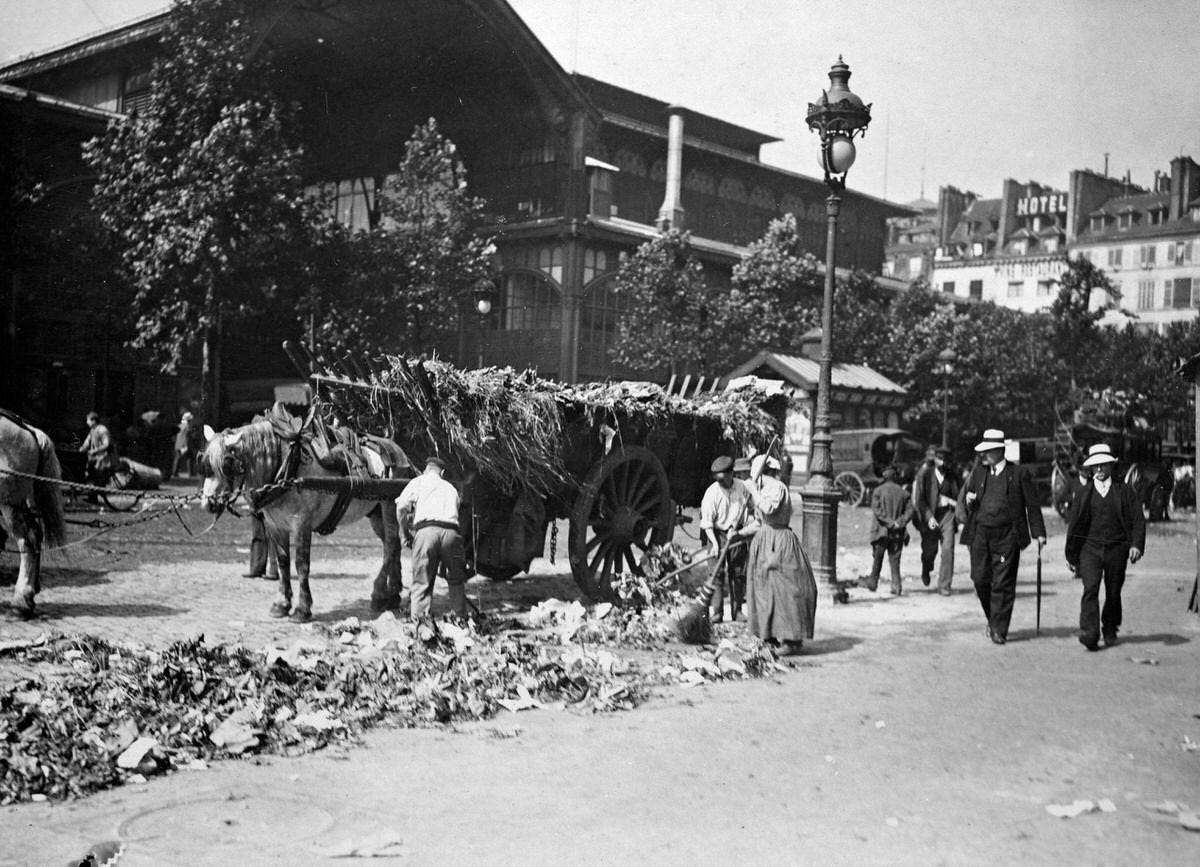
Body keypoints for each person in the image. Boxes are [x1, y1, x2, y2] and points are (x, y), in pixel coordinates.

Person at [957, 428, 1047, 645]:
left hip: (1007, 536)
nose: (983, 455)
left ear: (999, 451)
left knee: (1003, 584)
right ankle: (992, 618)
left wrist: (1039, 533)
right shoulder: (978, 473)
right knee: (979, 579)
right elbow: (969, 500)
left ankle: (999, 629)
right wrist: (970, 502)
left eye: (988, 451)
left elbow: (1032, 506)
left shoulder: (1018, 474)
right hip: (980, 534)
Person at [1065, 443, 1145, 651]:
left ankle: (1110, 628)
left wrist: (1136, 545)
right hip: (1090, 550)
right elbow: (1074, 526)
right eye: (1095, 466)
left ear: (1110, 466)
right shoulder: (1083, 493)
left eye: (1103, 465)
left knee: (1113, 591)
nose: (1099, 470)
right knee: (1090, 588)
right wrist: (1071, 556)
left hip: (1117, 549)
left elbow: (1137, 520)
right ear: (1090, 469)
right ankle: (1089, 633)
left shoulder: (1125, 491)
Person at [744, 454, 817, 656]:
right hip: (765, 540)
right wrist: (739, 534)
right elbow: (761, 522)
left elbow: (769, 507)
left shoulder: (777, 487)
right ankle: (768, 636)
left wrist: (752, 492)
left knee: (786, 590)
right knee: (764, 591)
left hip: (780, 543)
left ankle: (792, 639)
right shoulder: (762, 489)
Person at [395, 455, 468, 623]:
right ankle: (461, 620)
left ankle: (421, 624)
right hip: (452, 534)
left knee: (422, 582)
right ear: (442, 472)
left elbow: (401, 508)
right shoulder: (450, 488)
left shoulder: (419, 481)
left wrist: (403, 532)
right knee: (456, 580)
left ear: (426, 470)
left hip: (426, 532)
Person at [698, 455, 753, 622]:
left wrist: (742, 529)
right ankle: (717, 612)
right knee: (716, 574)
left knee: (737, 573)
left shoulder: (742, 488)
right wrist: (714, 543)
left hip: (736, 534)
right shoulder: (712, 493)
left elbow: (751, 511)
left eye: (724, 479)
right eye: (718, 480)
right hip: (716, 533)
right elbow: (706, 522)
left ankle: (737, 611)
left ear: (731, 474)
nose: (721, 482)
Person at [912, 445, 960, 595]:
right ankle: (926, 568)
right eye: (940, 459)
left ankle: (944, 585)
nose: (943, 463)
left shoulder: (952, 477)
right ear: (935, 459)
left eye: (945, 460)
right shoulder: (925, 475)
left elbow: (959, 498)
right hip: (930, 517)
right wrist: (928, 517)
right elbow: (920, 501)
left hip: (947, 516)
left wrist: (950, 501)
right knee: (929, 551)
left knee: (948, 549)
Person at [862, 465, 913, 595]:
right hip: (897, 532)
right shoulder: (903, 492)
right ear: (894, 476)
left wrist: (889, 523)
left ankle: (873, 583)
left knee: (877, 559)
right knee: (895, 560)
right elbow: (910, 510)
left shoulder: (878, 491)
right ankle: (896, 586)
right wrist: (899, 523)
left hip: (881, 532)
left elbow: (877, 511)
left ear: (884, 476)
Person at [80, 411, 118, 502]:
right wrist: (82, 448)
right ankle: (93, 497)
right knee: (91, 474)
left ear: (93, 421)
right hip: (97, 457)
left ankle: (96, 494)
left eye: (88, 420)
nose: (87, 422)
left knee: (98, 475)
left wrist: (94, 450)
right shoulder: (93, 430)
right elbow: (87, 442)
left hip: (106, 457)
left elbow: (106, 444)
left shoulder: (102, 430)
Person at [245, 511, 279, 581]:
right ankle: (257, 569)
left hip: (268, 503)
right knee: (257, 533)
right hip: (255, 503)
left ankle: (273, 570)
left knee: (271, 534)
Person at [171, 411, 197, 479]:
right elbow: (188, 436)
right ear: (189, 420)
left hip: (178, 445)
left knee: (178, 458)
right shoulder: (188, 426)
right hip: (185, 445)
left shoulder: (179, 425)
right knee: (189, 457)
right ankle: (191, 473)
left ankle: (175, 473)